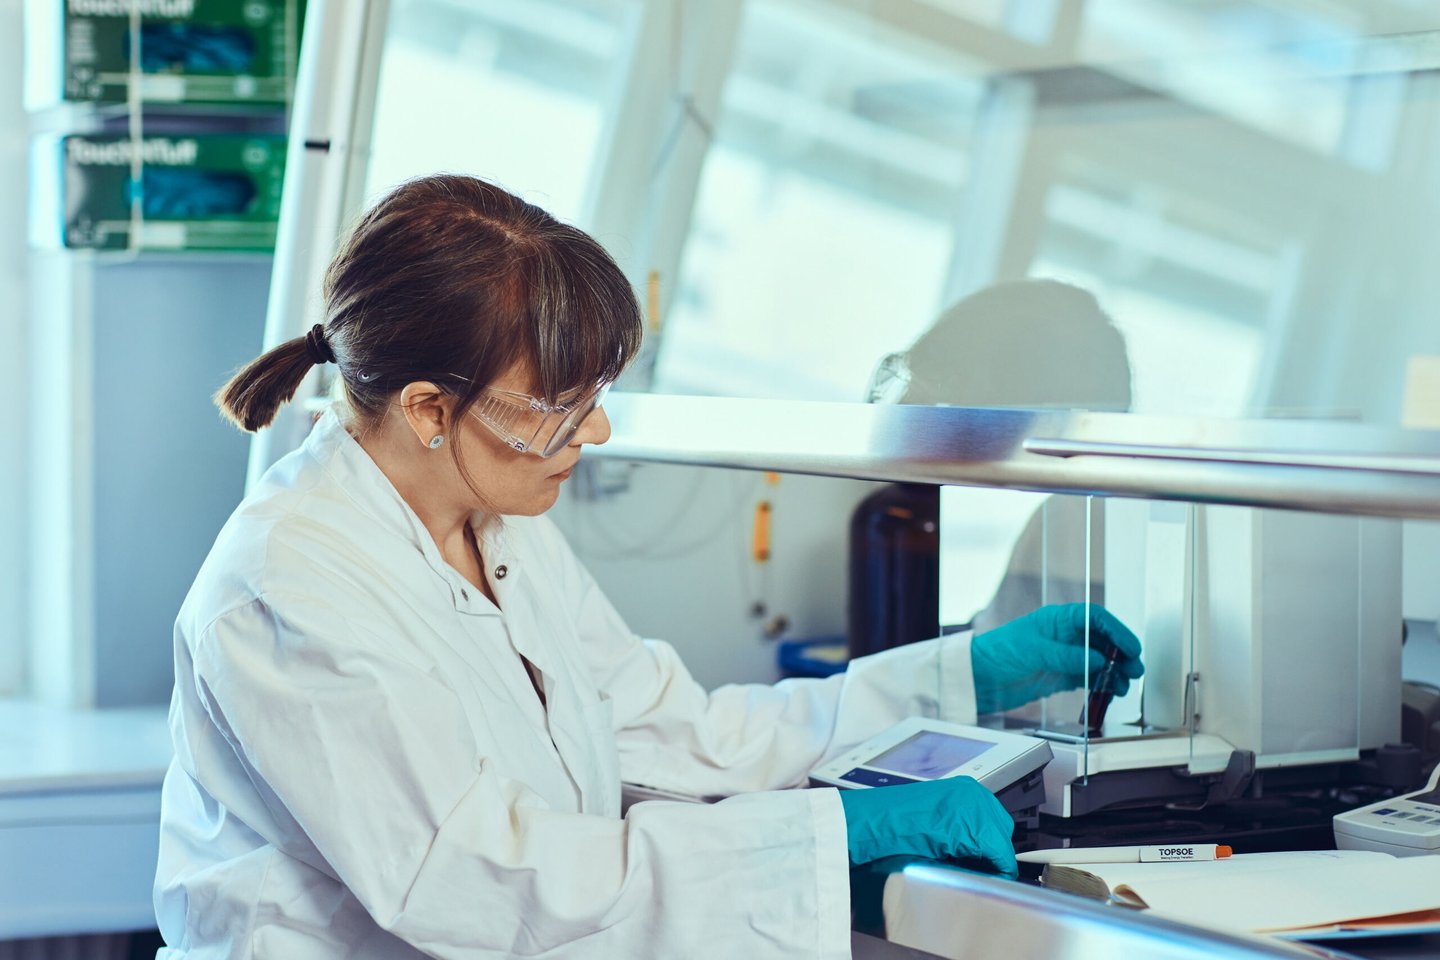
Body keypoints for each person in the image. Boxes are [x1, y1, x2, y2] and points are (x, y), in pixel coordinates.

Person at [154, 174, 1143, 959]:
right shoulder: (289, 588)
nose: (596, 428)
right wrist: (827, 840)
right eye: (558, 404)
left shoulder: (501, 524)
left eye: (597, 392)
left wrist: (960, 672)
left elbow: (682, 733)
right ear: (426, 408)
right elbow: (480, 883)